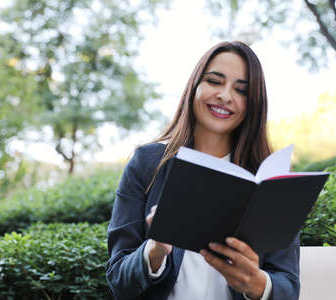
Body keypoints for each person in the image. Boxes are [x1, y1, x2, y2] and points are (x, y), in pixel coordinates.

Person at [106, 41, 300, 300]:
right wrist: (154, 250)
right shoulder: (147, 164)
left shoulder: (269, 182)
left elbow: (288, 286)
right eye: (215, 81)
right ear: (195, 85)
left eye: (241, 90)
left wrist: (256, 283)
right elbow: (118, 280)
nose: (225, 96)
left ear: (253, 103)